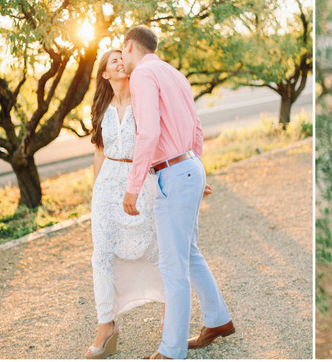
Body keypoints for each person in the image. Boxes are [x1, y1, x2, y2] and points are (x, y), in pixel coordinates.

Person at [121, 25, 234, 360]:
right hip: (187, 167)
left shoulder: (142, 74)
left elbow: (149, 133)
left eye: (122, 53)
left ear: (129, 46)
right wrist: (197, 170)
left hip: (173, 171)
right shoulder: (174, 73)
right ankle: (218, 320)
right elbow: (196, 127)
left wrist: (133, 184)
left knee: (173, 264)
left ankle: (171, 351)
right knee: (189, 253)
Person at [86, 49, 165, 358]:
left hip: (141, 181)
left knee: (157, 248)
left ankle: (170, 311)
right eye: (114, 60)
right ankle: (106, 324)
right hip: (107, 186)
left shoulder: (143, 99)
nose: (121, 62)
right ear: (105, 73)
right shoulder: (101, 107)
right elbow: (98, 151)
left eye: (123, 57)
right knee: (101, 255)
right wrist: (96, 192)